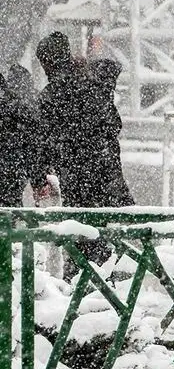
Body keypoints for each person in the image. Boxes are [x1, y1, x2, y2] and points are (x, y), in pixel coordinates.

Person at [36, 32, 135, 272]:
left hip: (76, 176)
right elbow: (112, 124)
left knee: (81, 231)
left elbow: (45, 141)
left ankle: (85, 280)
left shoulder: (51, 96)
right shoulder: (93, 82)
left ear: (48, 62)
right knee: (103, 232)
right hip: (105, 171)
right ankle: (106, 281)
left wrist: (41, 173)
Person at [0, 65, 48, 206]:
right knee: (11, 208)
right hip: (12, 171)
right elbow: (33, 145)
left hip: (11, 169)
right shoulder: (19, 107)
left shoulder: (15, 106)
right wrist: (38, 180)